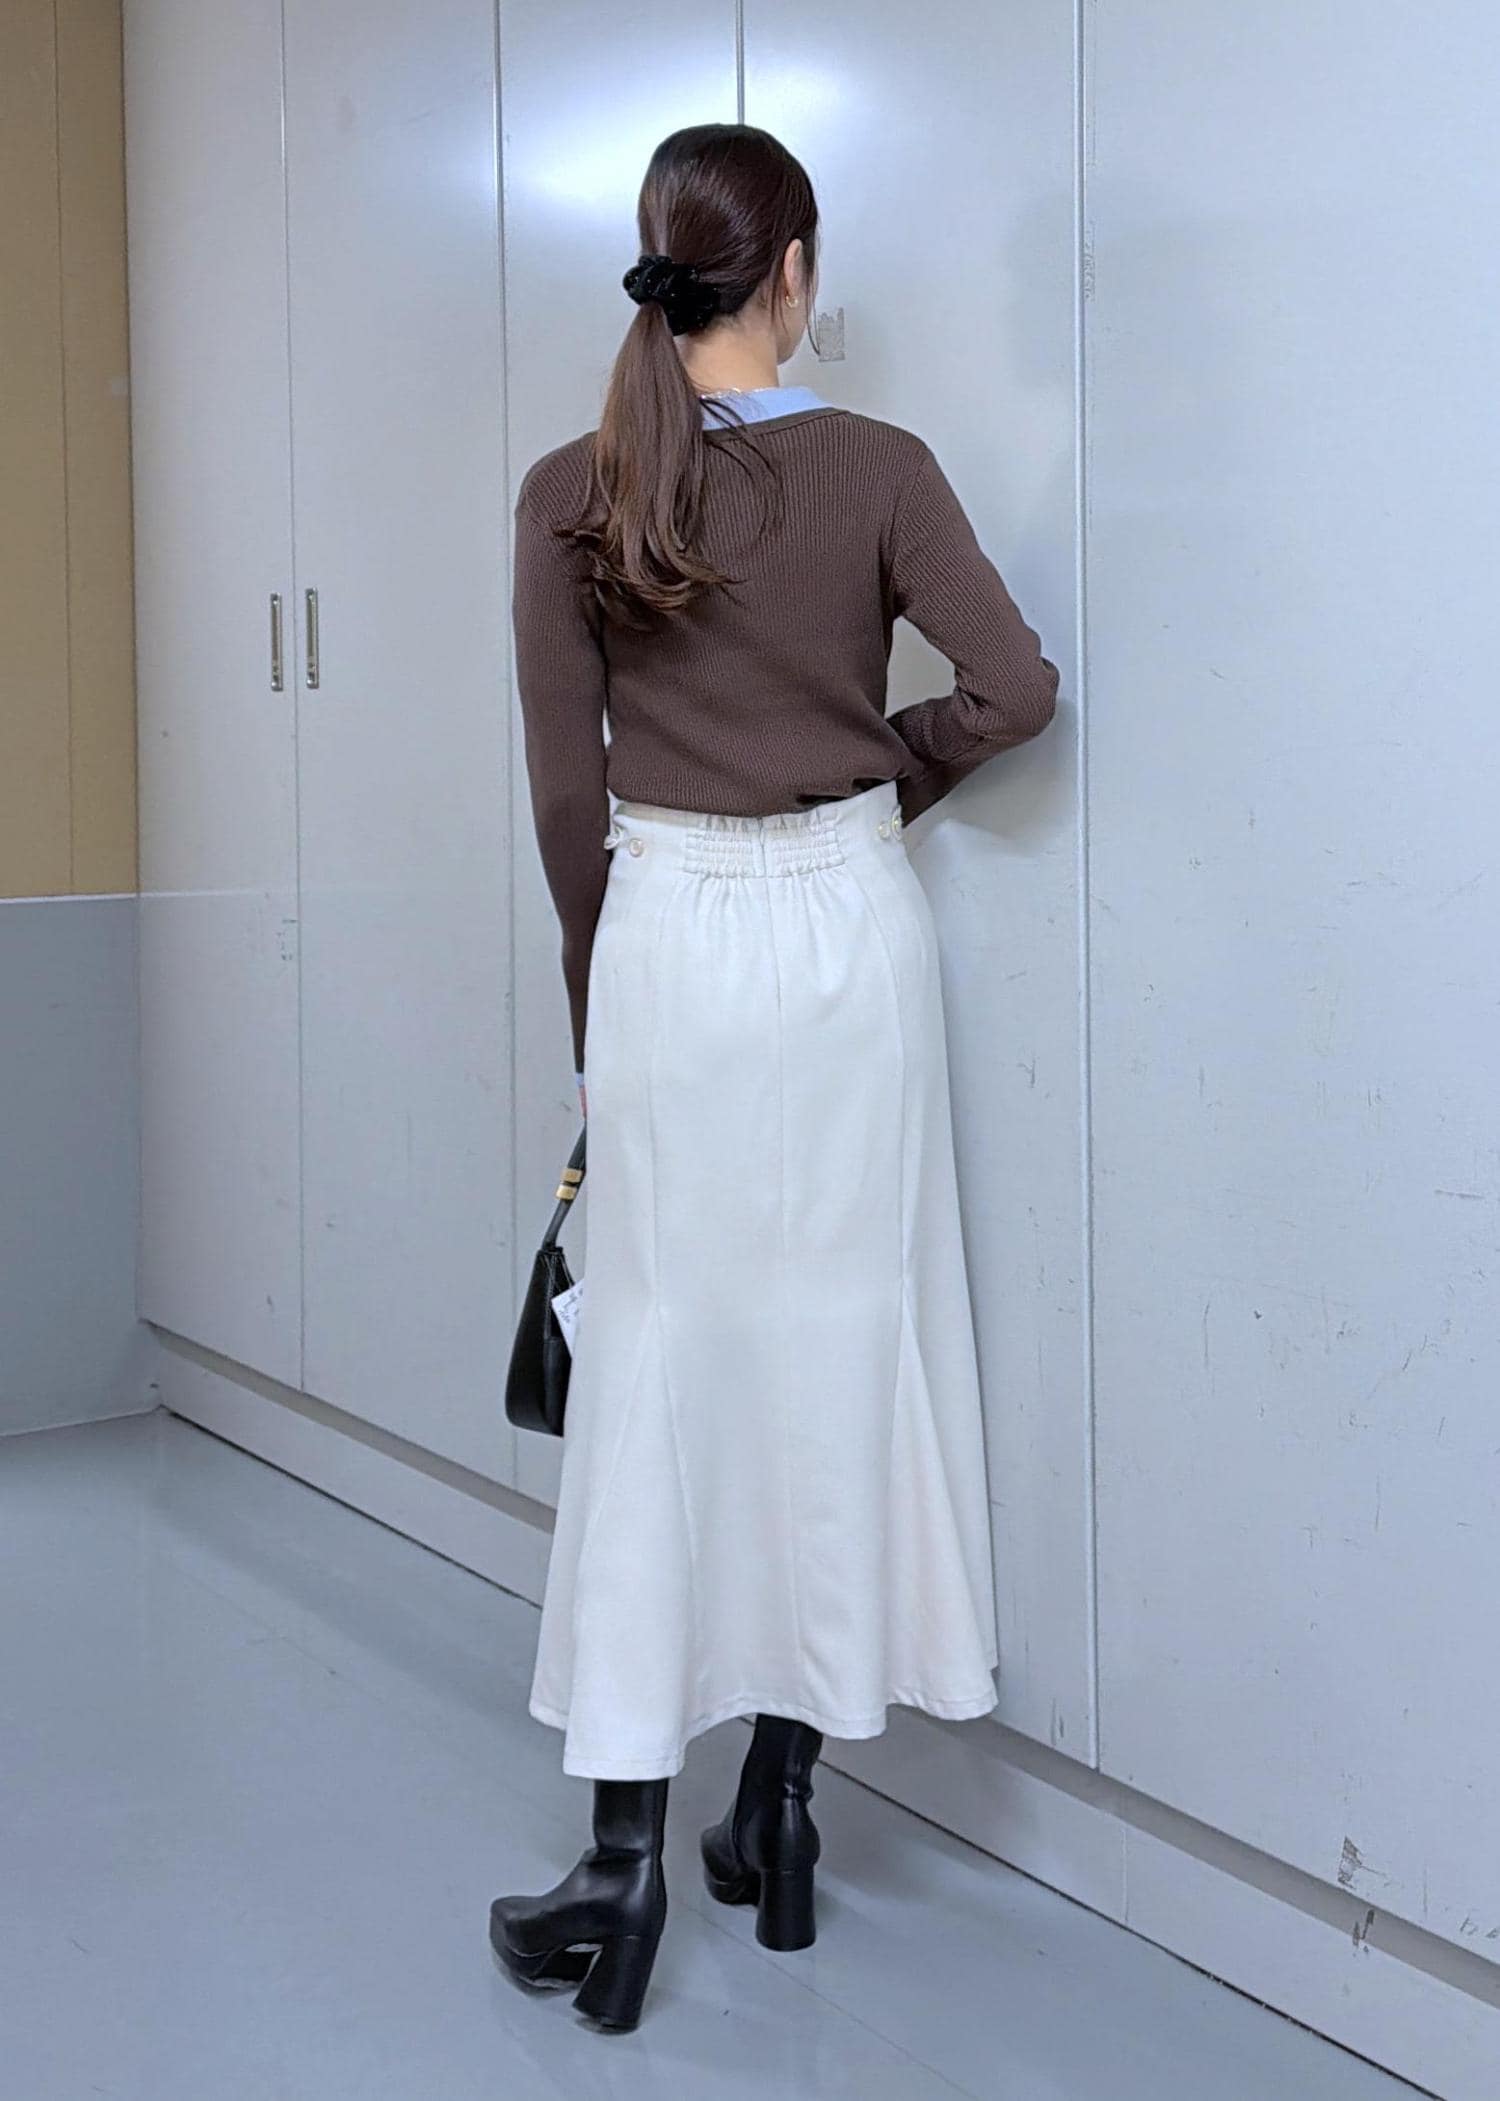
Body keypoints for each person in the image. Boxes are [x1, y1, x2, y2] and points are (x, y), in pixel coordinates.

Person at [489, 121, 1059, 2032]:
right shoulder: (882, 465)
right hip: (850, 942)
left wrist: (603, 1015)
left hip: (670, 939)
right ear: (794, 271)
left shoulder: (574, 491)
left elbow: (567, 800)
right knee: (839, 1334)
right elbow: (1014, 689)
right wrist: (873, 778)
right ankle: (787, 1808)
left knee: (658, 1357)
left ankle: (624, 1859)